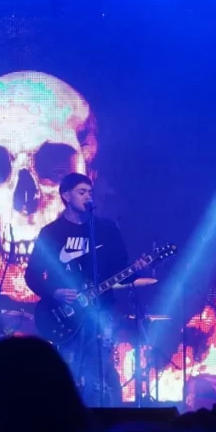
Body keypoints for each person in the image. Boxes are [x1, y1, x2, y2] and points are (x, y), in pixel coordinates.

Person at [25, 173, 147, 405]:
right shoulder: (51, 233)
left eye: (90, 192)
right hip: (66, 315)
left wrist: (139, 268)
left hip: (102, 312)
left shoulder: (106, 229)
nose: (88, 197)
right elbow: (31, 275)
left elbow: (121, 270)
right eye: (82, 192)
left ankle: (103, 416)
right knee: (70, 369)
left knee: (100, 372)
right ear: (66, 196)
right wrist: (54, 293)